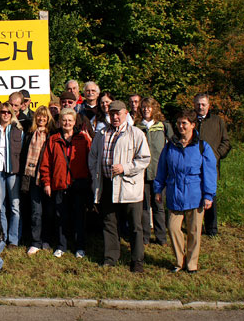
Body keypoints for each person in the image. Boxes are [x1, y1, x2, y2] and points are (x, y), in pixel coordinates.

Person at [88, 100, 151, 272]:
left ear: (125, 114)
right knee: (109, 222)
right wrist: (95, 174)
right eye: (112, 114)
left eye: (118, 114)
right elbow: (93, 156)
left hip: (128, 186)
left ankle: (137, 260)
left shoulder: (136, 133)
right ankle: (110, 257)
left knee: (135, 226)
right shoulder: (101, 133)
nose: (115, 117)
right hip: (107, 184)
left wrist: (125, 168)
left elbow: (144, 159)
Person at [154, 109, 217, 273]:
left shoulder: (202, 147)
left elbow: (209, 173)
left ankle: (191, 264)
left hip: (195, 195)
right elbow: (162, 169)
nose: (180, 126)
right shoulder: (170, 146)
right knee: (173, 228)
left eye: (184, 123)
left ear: (193, 125)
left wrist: (208, 195)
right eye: (179, 123)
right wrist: (158, 189)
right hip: (175, 194)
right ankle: (179, 261)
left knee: (194, 232)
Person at [39, 108, 92, 259]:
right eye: (64, 120)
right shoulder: (53, 139)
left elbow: (91, 160)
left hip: (78, 183)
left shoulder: (83, 139)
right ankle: (61, 245)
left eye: (70, 120)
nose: (67, 123)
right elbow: (46, 163)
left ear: (74, 122)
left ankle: (79, 246)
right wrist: (47, 182)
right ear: (59, 122)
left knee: (79, 216)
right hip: (60, 183)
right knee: (60, 216)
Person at [135, 97, 173, 246]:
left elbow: (172, 146)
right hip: (143, 173)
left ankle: (161, 237)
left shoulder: (163, 126)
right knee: (144, 206)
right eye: (143, 107)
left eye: (149, 107)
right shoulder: (137, 127)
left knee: (159, 206)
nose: (146, 110)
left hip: (159, 173)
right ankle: (145, 237)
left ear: (154, 108)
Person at [0, 102, 23, 247]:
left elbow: (22, 152)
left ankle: (14, 239)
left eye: (8, 112)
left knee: (15, 206)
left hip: (13, 171)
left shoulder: (18, 130)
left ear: (12, 114)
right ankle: (2, 236)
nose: (6, 114)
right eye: (3, 112)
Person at [193, 93, 231, 237]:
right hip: (193, 165)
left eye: (203, 104)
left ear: (209, 105)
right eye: (198, 104)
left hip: (211, 166)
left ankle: (211, 229)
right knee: (195, 194)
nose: (200, 107)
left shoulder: (217, 121)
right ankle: (194, 225)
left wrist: (216, 155)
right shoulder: (190, 120)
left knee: (210, 195)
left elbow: (226, 142)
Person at [21, 106, 56, 255]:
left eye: (44, 117)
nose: (41, 119)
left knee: (49, 211)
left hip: (47, 177)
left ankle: (46, 239)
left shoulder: (52, 135)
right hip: (32, 177)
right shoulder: (30, 134)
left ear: (48, 119)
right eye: (39, 116)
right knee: (36, 211)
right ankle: (35, 241)